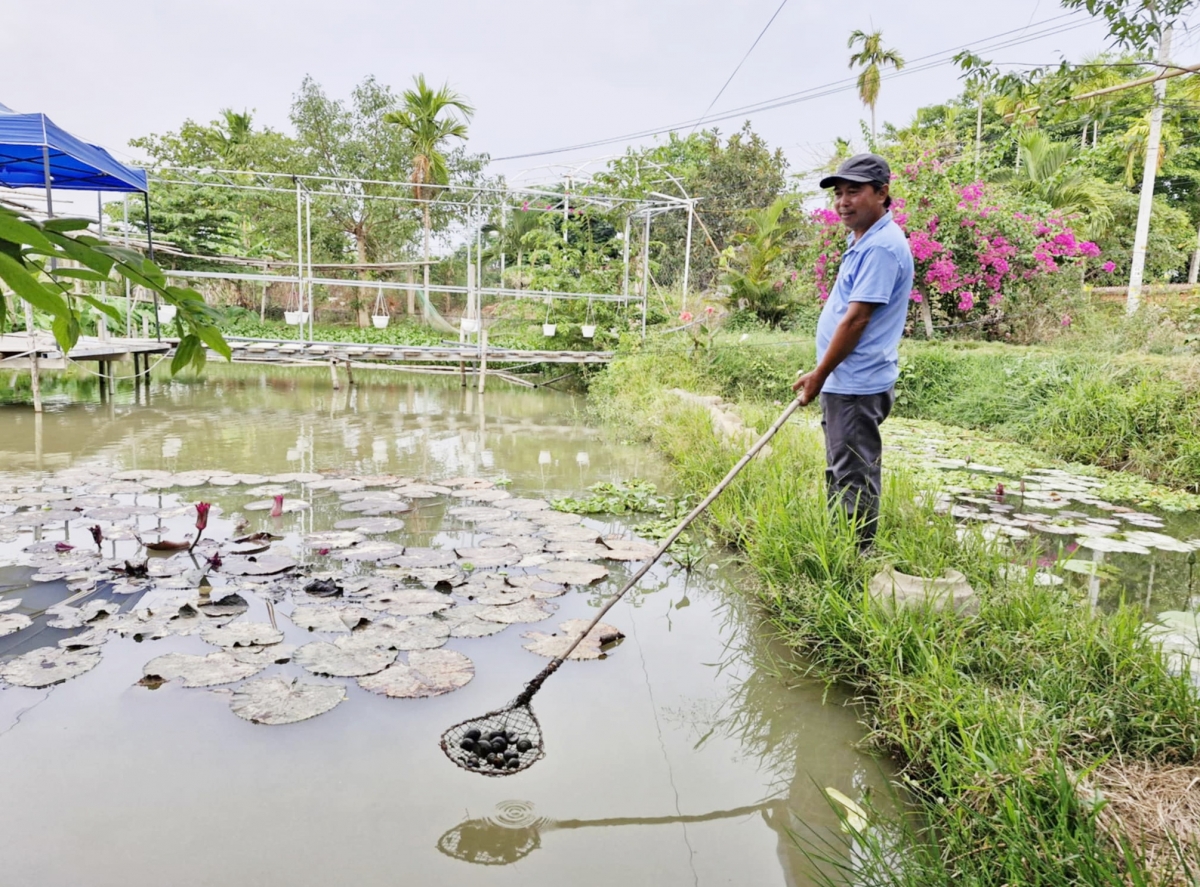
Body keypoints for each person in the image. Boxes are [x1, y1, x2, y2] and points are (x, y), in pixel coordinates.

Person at [792, 153, 914, 550]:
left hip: (855, 385)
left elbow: (857, 320)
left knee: (853, 475)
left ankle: (853, 560)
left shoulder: (881, 248)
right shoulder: (863, 239)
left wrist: (820, 374)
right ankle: (841, 547)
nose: (843, 202)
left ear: (882, 193)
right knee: (843, 468)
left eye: (854, 192)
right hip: (846, 380)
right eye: (839, 194)